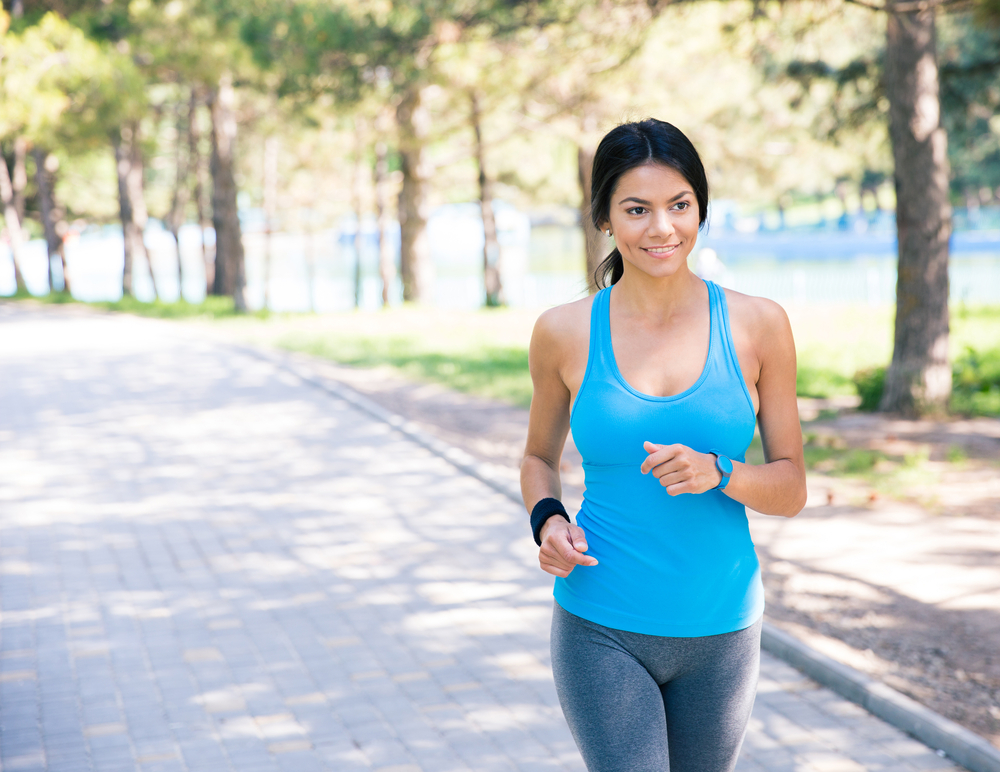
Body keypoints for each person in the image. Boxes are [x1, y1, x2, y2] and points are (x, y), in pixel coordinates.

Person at [520, 118, 807, 772]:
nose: (662, 228)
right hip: (602, 622)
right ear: (604, 219)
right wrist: (548, 520)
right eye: (637, 209)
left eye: (680, 205)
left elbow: (791, 488)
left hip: (723, 628)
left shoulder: (759, 325)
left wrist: (722, 472)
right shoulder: (563, 331)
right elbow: (538, 457)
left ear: (701, 209)